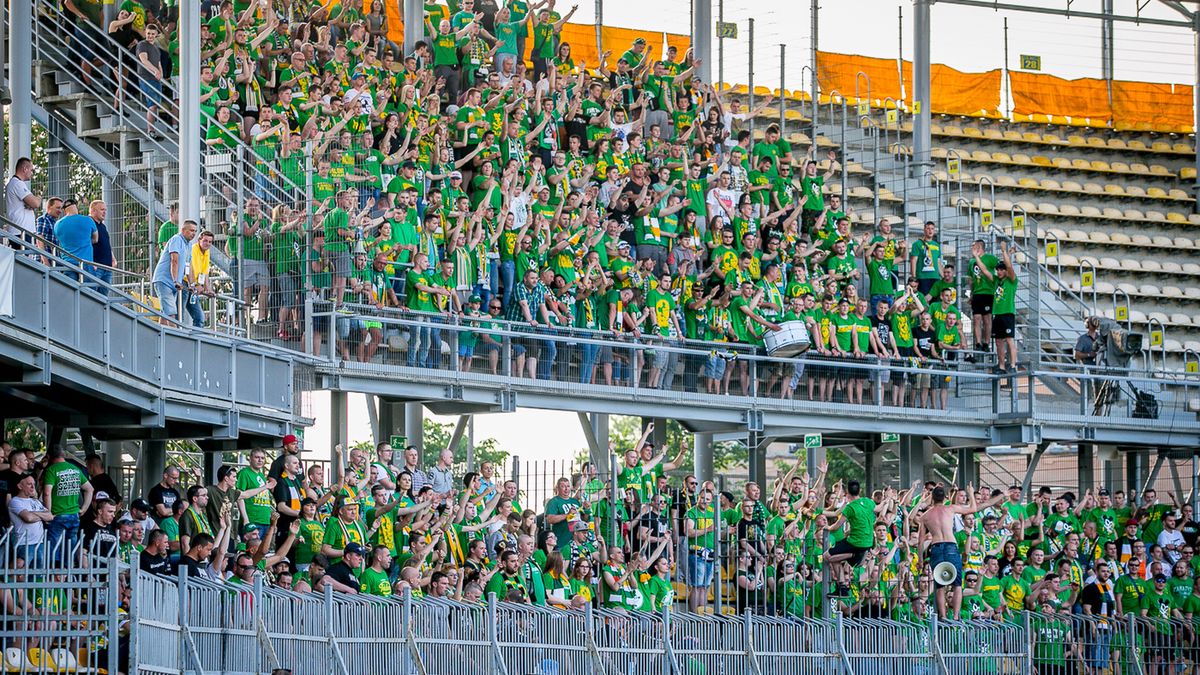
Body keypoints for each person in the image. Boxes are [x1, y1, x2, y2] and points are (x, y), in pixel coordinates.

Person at [920, 484, 1005, 620]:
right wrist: (971, 493)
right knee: (957, 584)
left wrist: (919, 560)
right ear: (944, 498)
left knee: (940, 585)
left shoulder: (925, 516)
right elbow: (973, 508)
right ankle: (955, 616)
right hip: (951, 546)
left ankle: (942, 615)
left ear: (932, 498)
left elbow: (920, 541)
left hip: (936, 547)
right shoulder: (950, 508)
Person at [41, 446, 94, 558]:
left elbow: (46, 493)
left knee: (53, 548)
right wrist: (84, 508)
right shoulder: (75, 469)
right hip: (74, 515)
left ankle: (53, 573)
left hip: (57, 515)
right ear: (63, 455)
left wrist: (48, 513)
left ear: (49, 457)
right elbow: (90, 489)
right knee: (70, 549)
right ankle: (67, 572)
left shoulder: (52, 470)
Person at [152, 219, 199, 323]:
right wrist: (176, 281)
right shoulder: (176, 239)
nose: (194, 234)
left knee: (166, 313)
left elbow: (189, 266)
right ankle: (175, 338)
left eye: (195, 231)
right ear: (183, 230)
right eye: (191, 230)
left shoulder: (189, 245)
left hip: (173, 283)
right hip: (164, 281)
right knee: (171, 313)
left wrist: (192, 284)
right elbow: (174, 260)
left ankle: (159, 336)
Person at [992, 240, 1018, 378]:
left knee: (1009, 339)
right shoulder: (997, 281)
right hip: (997, 314)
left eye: (1002, 269)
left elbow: (1009, 267)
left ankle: (1013, 365)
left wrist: (1004, 252)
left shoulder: (1012, 280)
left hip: (1008, 313)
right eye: (998, 269)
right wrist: (1008, 253)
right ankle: (1001, 365)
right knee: (998, 341)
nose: (1000, 271)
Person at [5, 157, 40, 242]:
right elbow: (35, 203)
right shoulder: (17, 184)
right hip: (20, 232)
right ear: (25, 169)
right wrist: (38, 198)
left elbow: (31, 203)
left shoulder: (16, 183)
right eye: (31, 170)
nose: (32, 173)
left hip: (22, 231)